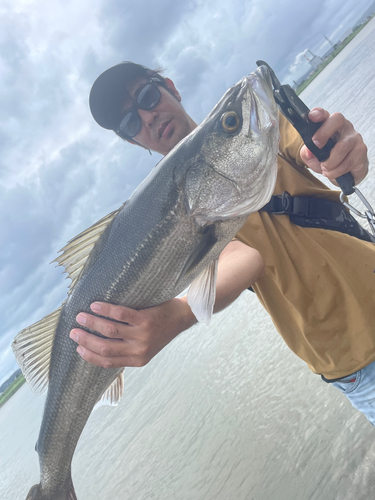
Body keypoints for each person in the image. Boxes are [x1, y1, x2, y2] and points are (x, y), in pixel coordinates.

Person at [70, 62, 375, 424]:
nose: (148, 117)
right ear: (133, 140)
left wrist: (343, 153)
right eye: (132, 124)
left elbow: (327, 155)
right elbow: (243, 258)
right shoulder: (172, 217)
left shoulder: (254, 125)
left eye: (148, 97)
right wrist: (181, 313)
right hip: (354, 360)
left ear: (171, 87)